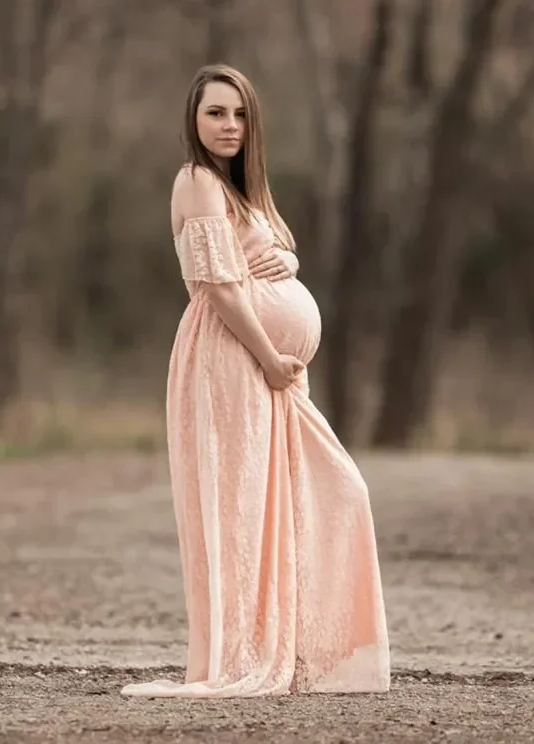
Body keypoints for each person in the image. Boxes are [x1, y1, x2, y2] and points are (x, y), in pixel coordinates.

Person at [121, 64, 390, 698]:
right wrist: (271, 356)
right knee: (243, 510)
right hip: (233, 363)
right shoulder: (194, 180)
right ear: (193, 117)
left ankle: (298, 650)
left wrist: (285, 267)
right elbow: (215, 288)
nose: (229, 126)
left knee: (321, 495)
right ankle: (243, 654)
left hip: (268, 370)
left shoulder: (240, 190)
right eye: (216, 112)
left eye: (239, 114)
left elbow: (249, 264)